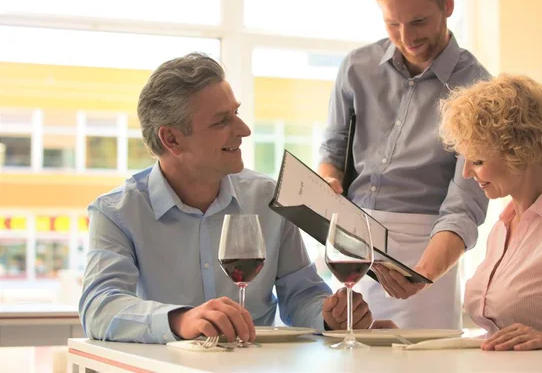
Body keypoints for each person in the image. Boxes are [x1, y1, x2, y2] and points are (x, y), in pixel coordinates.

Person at [79, 53, 373, 344]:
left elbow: (302, 293)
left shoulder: (269, 198)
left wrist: (327, 316)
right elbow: (100, 308)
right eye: (221, 122)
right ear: (172, 139)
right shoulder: (117, 212)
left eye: (237, 113)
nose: (243, 131)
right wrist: (182, 320)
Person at [318, 0, 489, 329]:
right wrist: (327, 181)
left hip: (426, 252)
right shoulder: (356, 68)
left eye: (418, 21)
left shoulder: (478, 88)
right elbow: (333, 148)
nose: (407, 37)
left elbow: (465, 205)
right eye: (392, 23)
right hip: (351, 248)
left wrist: (423, 273)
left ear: (447, 5)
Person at [435, 74, 542, 353]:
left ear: (517, 150)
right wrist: (406, 341)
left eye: (477, 160)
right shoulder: (502, 228)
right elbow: (497, 335)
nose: (466, 173)